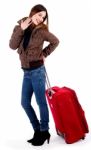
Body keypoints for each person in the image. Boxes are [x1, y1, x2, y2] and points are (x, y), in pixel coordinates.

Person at [9, 4, 59, 146]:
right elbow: (12, 46)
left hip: (37, 71)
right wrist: (21, 29)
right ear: (33, 13)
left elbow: (56, 41)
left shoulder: (42, 31)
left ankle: (44, 131)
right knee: (24, 103)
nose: (40, 19)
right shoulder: (20, 26)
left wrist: (44, 53)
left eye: (43, 17)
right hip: (26, 72)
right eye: (39, 15)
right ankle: (37, 130)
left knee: (40, 103)